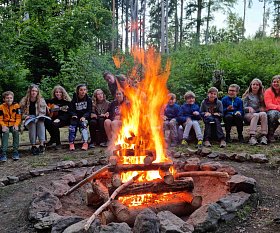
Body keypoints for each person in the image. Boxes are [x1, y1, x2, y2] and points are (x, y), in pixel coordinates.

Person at [20, 84, 47, 155]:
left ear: (38, 92)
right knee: (32, 123)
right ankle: (33, 146)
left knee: (40, 122)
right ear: (29, 91)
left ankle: (41, 144)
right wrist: (25, 116)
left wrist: (39, 116)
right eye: (32, 91)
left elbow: (43, 112)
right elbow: (20, 114)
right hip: (28, 120)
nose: (34, 92)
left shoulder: (41, 100)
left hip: (38, 118)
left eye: (35, 91)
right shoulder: (24, 100)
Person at [242, 79, 268, 145]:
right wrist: (248, 108)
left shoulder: (262, 95)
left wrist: (263, 108)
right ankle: (252, 136)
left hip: (259, 114)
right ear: (251, 86)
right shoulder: (247, 95)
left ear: (260, 86)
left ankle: (264, 136)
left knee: (264, 114)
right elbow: (242, 108)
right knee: (255, 115)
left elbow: (266, 106)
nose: (255, 86)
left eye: (257, 85)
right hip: (248, 115)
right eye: (253, 84)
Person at [68, 84, 92, 151]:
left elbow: (89, 111)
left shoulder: (88, 100)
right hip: (75, 117)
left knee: (83, 125)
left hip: (84, 118)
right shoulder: (73, 100)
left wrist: (84, 116)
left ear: (86, 91)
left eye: (84, 90)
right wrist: (73, 114)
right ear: (78, 91)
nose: (83, 91)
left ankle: (85, 142)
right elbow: (70, 110)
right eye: (81, 90)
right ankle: (71, 143)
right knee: (72, 127)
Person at [0, 91, 21, 162]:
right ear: (4, 99)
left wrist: (16, 124)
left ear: (13, 98)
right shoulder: (1, 107)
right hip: (5, 124)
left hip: (13, 124)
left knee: (15, 131)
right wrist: (3, 125)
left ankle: (15, 151)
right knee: (5, 132)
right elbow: (0, 118)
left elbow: (18, 117)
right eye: (7, 98)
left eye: (11, 98)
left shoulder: (17, 106)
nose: (9, 99)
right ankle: (3, 152)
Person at [264, 75, 280, 142]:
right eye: (274, 82)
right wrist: (279, 107)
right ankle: (270, 134)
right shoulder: (268, 91)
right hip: (270, 111)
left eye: (278, 82)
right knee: (275, 114)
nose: (275, 83)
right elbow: (268, 105)